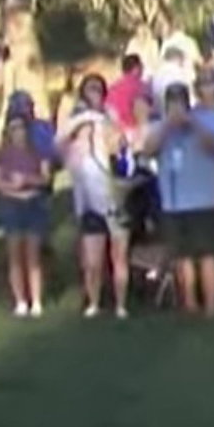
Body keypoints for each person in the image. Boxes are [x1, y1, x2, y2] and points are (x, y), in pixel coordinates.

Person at [142, 82, 214, 318]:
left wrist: (192, 123)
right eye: (171, 101)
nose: (176, 106)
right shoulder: (159, 126)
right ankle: (189, 304)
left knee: (207, 254)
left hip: (206, 199)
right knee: (183, 256)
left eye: (180, 101)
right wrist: (168, 126)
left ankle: (211, 307)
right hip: (174, 202)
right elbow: (147, 150)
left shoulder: (207, 119)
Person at [58, 109, 132, 319]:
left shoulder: (115, 154)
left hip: (116, 208)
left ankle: (121, 305)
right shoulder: (76, 156)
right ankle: (94, 303)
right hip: (91, 209)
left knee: (119, 257)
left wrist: (104, 128)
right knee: (93, 262)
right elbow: (60, 140)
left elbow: (125, 166)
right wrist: (84, 120)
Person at [0, 115, 50, 317]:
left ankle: (36, 300)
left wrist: (26, 180)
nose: (19, 133)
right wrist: (12, 187)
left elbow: (45, 179)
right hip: (11, 205)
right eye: (14, 129)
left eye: (22, 128)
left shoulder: (37, 153)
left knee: (33, 256)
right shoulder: (2, 155)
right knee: (14, 256)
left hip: (33, 203)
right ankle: (21, 301)